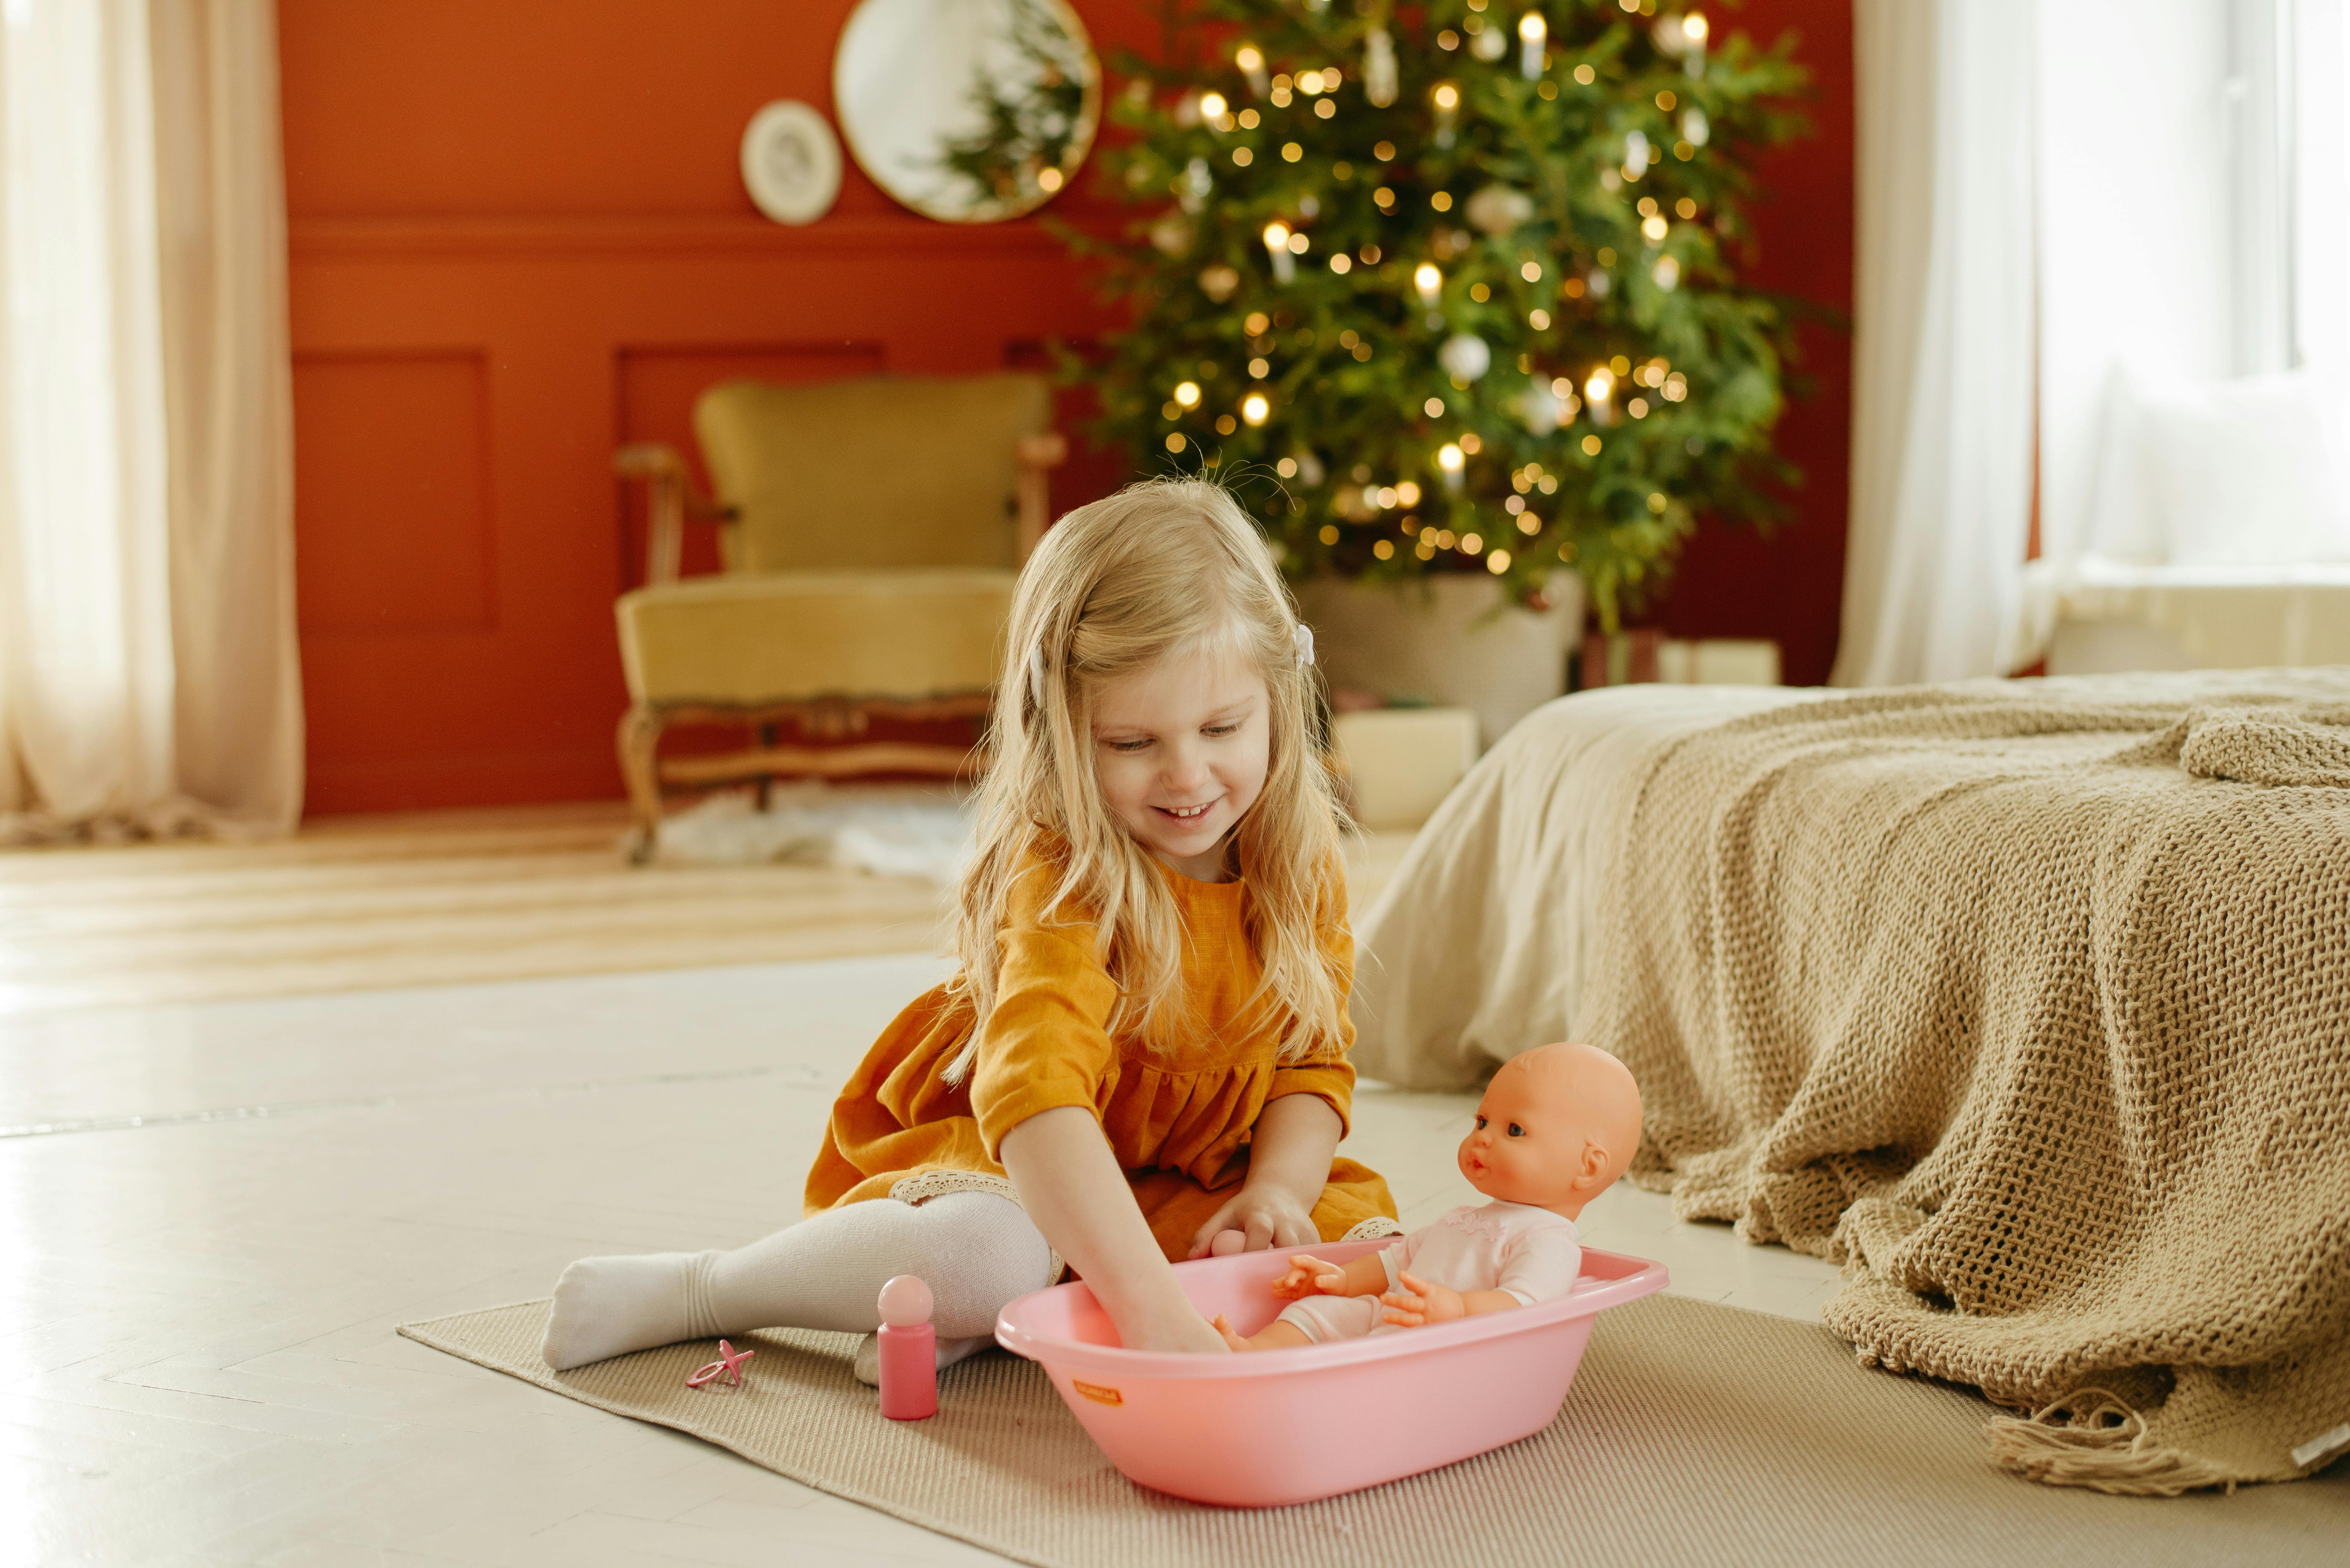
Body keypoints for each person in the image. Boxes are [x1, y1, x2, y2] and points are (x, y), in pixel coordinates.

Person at [541, 478, 1399, 1377]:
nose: (1188, 777)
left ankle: (994, 1316)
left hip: (1191, 1177)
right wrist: (1152, 1312)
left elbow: (1311, 1063)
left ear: (1278, 697)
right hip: (1017, 1158)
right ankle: (714, 1287)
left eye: (1222, 727)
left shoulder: (1298, 858)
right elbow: (1038, 1105)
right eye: (1132, 745)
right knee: (986, 1256)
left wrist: (1273, 1193)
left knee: (1368, 1265)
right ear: (1063, 731)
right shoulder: (1063, 869)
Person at [1212, 1043, 1641, 1350]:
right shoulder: (1461, 1218)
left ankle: (1305, 1388)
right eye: (1482, 1122)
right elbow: (1395, 1261)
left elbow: (1523, 1306)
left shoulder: (1549, 1241)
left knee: (1370, 1355)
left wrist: (1457, 1309)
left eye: (1514, 1130)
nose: (1483, 1139)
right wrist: (1339, 1281)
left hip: (1445, 1342)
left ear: (1587, 1168)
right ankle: (1251, 1356)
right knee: (1313, 1315)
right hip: (1390, 1312)